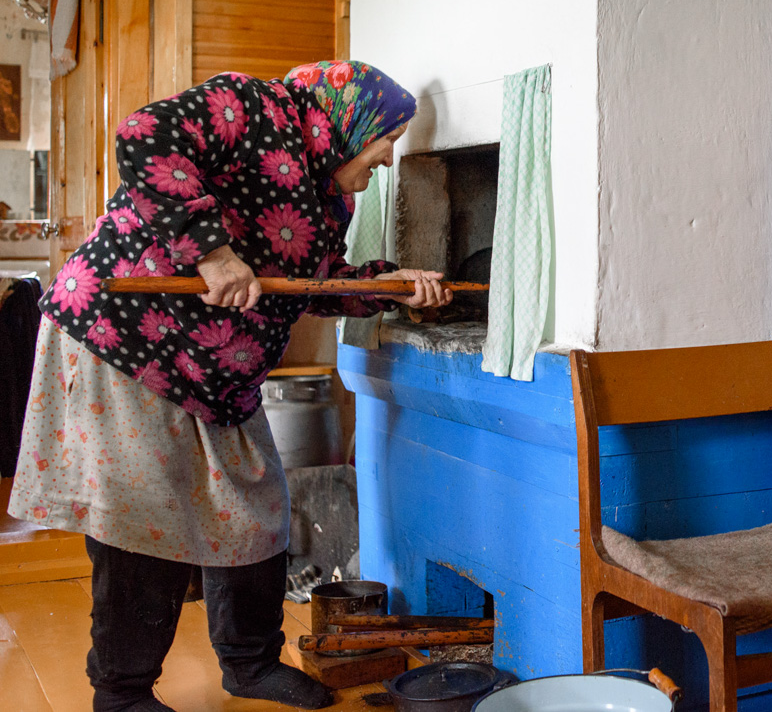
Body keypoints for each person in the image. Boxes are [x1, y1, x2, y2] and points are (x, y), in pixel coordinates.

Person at [6, 60, 448, 712]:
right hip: (128, 342)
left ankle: (250, 664)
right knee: (144, 522)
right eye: (387, 138)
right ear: (350, 120)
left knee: (258, 509)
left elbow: (314, 282)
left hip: (216, 373)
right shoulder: (254, 108)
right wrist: (213, 254)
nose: (388, 157)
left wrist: (390, 285)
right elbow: (143, 139)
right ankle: (122, 693)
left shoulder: (330, 195)